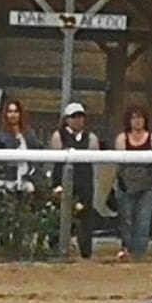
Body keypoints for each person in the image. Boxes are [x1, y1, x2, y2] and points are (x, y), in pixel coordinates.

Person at [49, 101, 100, 259]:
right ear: (66, 119)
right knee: (60, 216)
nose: (78, 120)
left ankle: (85, 253)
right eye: (74, 117)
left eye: (80, 116)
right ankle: (57, 249)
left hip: (84, 183)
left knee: (85, 218)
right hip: (63, 182)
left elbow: (94, 157)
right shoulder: (58, 136)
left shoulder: (91, 137)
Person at [113, 105, 152, 261]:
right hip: (125, 186)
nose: (137, 121)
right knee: (126, 221)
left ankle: (140, 255)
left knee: (143, 222)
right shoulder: (122, 138)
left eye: (140, 117)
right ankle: (127, 251)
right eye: (134, 117)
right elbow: (120, 162)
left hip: (147, 187)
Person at [0, 97, 42, 193]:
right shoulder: (0, 136)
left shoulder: (29, 134)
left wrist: (33, 171)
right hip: (8, 180)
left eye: (16, 111)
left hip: (27, 179)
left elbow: (39, 151)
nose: (13, 115)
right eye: (10, 112)